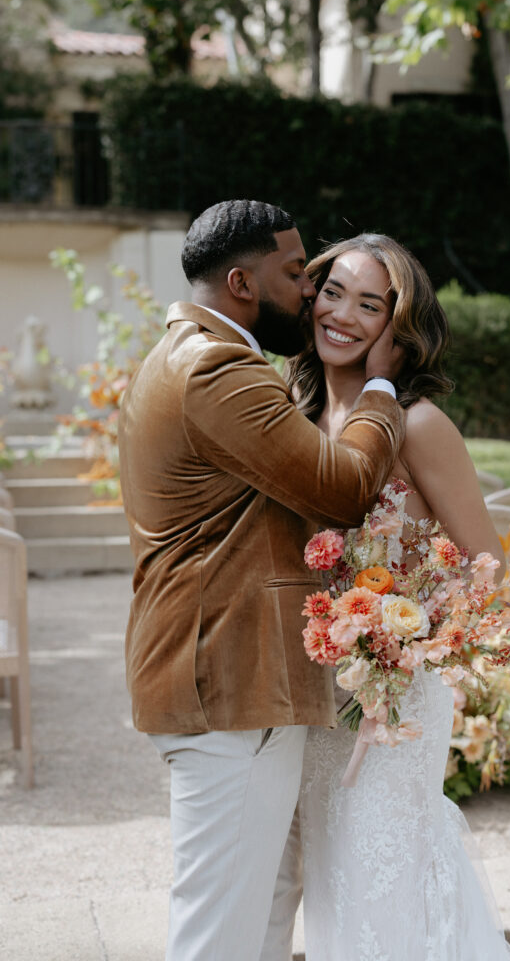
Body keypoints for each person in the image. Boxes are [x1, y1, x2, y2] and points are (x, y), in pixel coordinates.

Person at [117, 201, 406, 961]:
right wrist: (379, 389)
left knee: (257, 916)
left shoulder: (192, 355)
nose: (310, 295)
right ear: (241, 283)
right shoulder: (213, 368)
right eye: (294, 275)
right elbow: (341, 488)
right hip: (227, 680)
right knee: (220, 933)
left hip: (223, 682)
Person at [287, 233, 510, 960]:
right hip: (316, 694)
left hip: (397, 701)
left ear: (400, 326)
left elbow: (492, 574)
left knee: (382, 871)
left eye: (369, 304)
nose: (343, 316)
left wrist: (409, 640)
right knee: (332, 876)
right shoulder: (291, 415)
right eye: (333, 293)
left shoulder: (419, 426)